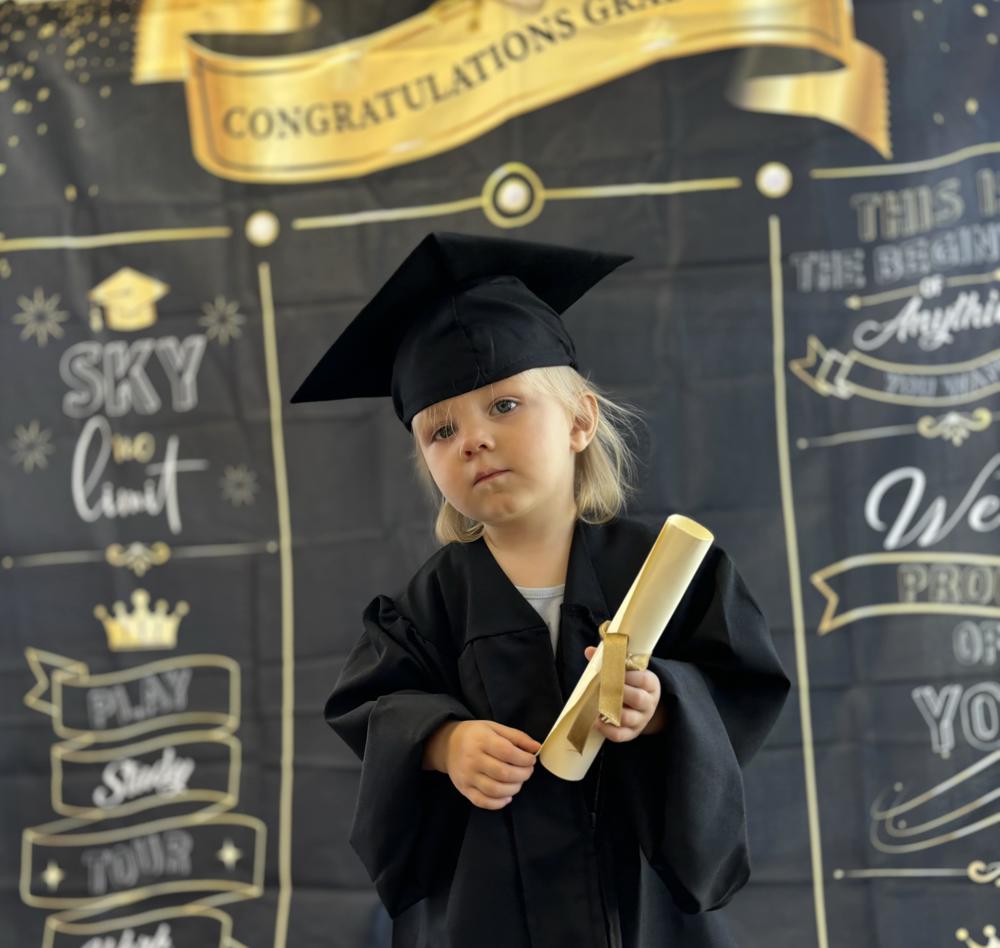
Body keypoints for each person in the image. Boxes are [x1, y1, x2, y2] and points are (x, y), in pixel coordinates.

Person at [292, 231, 790, 948]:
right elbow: (372, 707)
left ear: (581, 420)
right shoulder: (428, 605)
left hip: (636, 902)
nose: (473, 440)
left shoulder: (665, 571)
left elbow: (739, 681)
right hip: (486, 908)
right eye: (440, 430)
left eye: (504, 406)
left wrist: (664, 706)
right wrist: (442, 740)